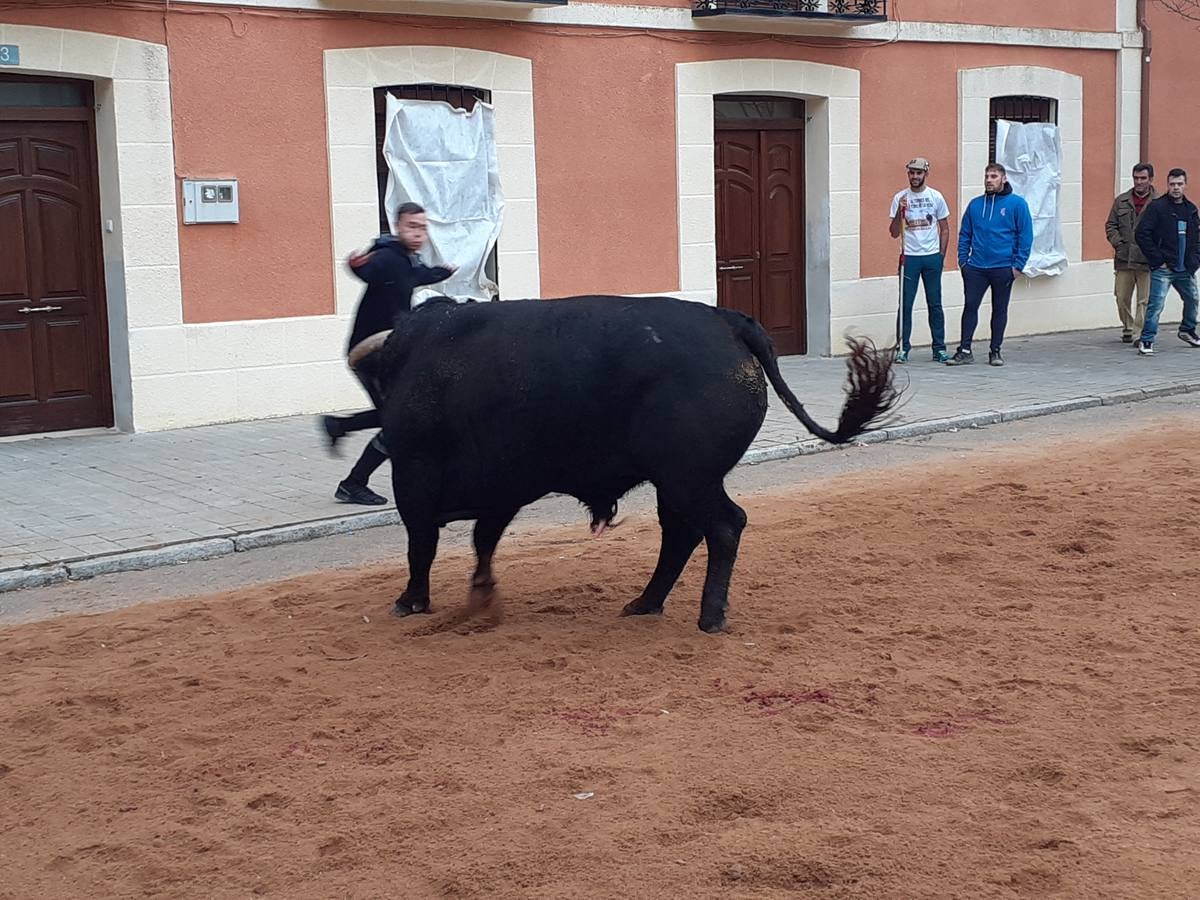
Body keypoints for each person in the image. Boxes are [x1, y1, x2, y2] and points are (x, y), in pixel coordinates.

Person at [321, 203, 456, 505]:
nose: (418, 233)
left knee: (397, 416)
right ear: (398, 226)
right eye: (412, 226)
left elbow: (419, 276)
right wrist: (356, 263)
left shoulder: (406, 262)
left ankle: (340, 428)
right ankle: (353, 482)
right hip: (369, 351)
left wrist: (442, 272)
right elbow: (366, 268)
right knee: (401, 420)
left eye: (423, 228)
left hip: (386, 350)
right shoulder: (387, 257)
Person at [946, 163, 1033, 367]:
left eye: (993, 176)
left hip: (1003, 267)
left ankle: (995, 351)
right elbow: (965, 234)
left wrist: (1018, 266)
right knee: (970, 306)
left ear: (1003, 179)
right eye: (986, 176)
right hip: (975, 268)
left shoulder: (1017, 204)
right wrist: (963, 261)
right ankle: (965, 350)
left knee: (999, 309)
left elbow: (1026, 236)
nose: (988, 180)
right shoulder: (975, 205)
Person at [889, 157, 951, 363]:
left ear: (925, 174)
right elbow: (893, 233)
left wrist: (941, 256)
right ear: (908, 174)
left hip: (931, 256)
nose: (915, 177)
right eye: (911, 173)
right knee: (905, 304)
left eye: (919, 173)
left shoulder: (935, 196)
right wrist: (900, 211)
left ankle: (939, 348)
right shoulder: (900, 197)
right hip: (910, 257)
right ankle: (903, 348)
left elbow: (944, 228)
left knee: (935, 303)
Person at [1133, 168, 1200, 355]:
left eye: (1179, 184)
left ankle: (1187, 330)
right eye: (1172, 184)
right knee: (1156, 304)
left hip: (1185, 268)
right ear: (1167, 185)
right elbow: (1142, 234)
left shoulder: (1191, 209)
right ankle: (1146, 340)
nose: (1176, 188)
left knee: (1193, 299)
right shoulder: (1157, 207)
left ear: (1185, 185)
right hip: (1163, 268)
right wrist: (1157, 260)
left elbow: (1196, 238)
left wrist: (1195, 261)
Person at [1105, 163, 1158, 343]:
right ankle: (1128, 326)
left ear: (1150, 179)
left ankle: (1139, 333)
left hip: (1147, 259)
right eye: (1136, 178)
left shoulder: (1158, 202)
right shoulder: (1121, 201)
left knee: (1144, 300)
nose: (1139, 182)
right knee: (1121, 297)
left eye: (1143, 178)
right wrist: (1118, 244)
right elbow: (1110, 225)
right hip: (1124, 258)